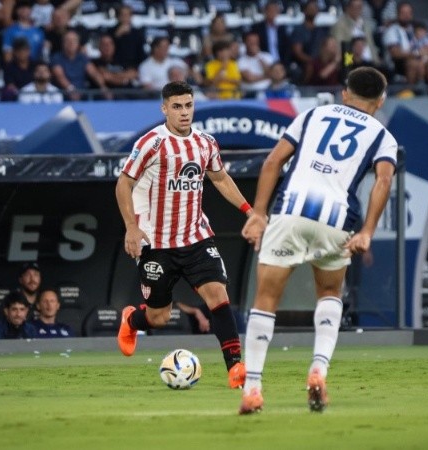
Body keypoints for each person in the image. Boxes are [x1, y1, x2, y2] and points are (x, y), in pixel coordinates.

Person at [238, 67, 398, 414]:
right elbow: (383, 182)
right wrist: (367, 231)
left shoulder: (313, 115)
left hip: (291, 211)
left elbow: (273, 161)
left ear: (344, 93)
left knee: (266, 298)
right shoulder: (383, 136)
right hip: (337, 219)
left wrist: (259, 213)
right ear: (380, 100)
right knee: (328, 293)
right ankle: (318, 369)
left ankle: (252, 388)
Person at [114, 81, 251, 389]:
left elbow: (220, 177)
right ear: (164, 109)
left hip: (196, 236)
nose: (184, 112)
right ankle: (132, 320)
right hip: (157, 243)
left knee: (218, 295)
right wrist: (132, 228)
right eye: (177, 106)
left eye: (188, 105)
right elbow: (123, 184)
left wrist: (249, 211)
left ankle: (236, 368)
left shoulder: (205, 143)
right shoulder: (151, 143)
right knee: (159, 317)